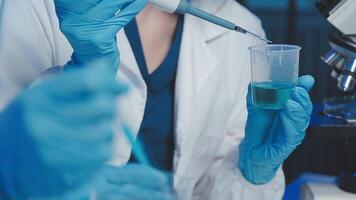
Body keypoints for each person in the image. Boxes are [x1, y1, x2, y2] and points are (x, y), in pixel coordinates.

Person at [0, 0, 314, 199]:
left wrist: (252, 170)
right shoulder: (40, 4)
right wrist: (81, 71)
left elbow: (209, 191)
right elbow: (9, 156)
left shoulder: (237, 24)